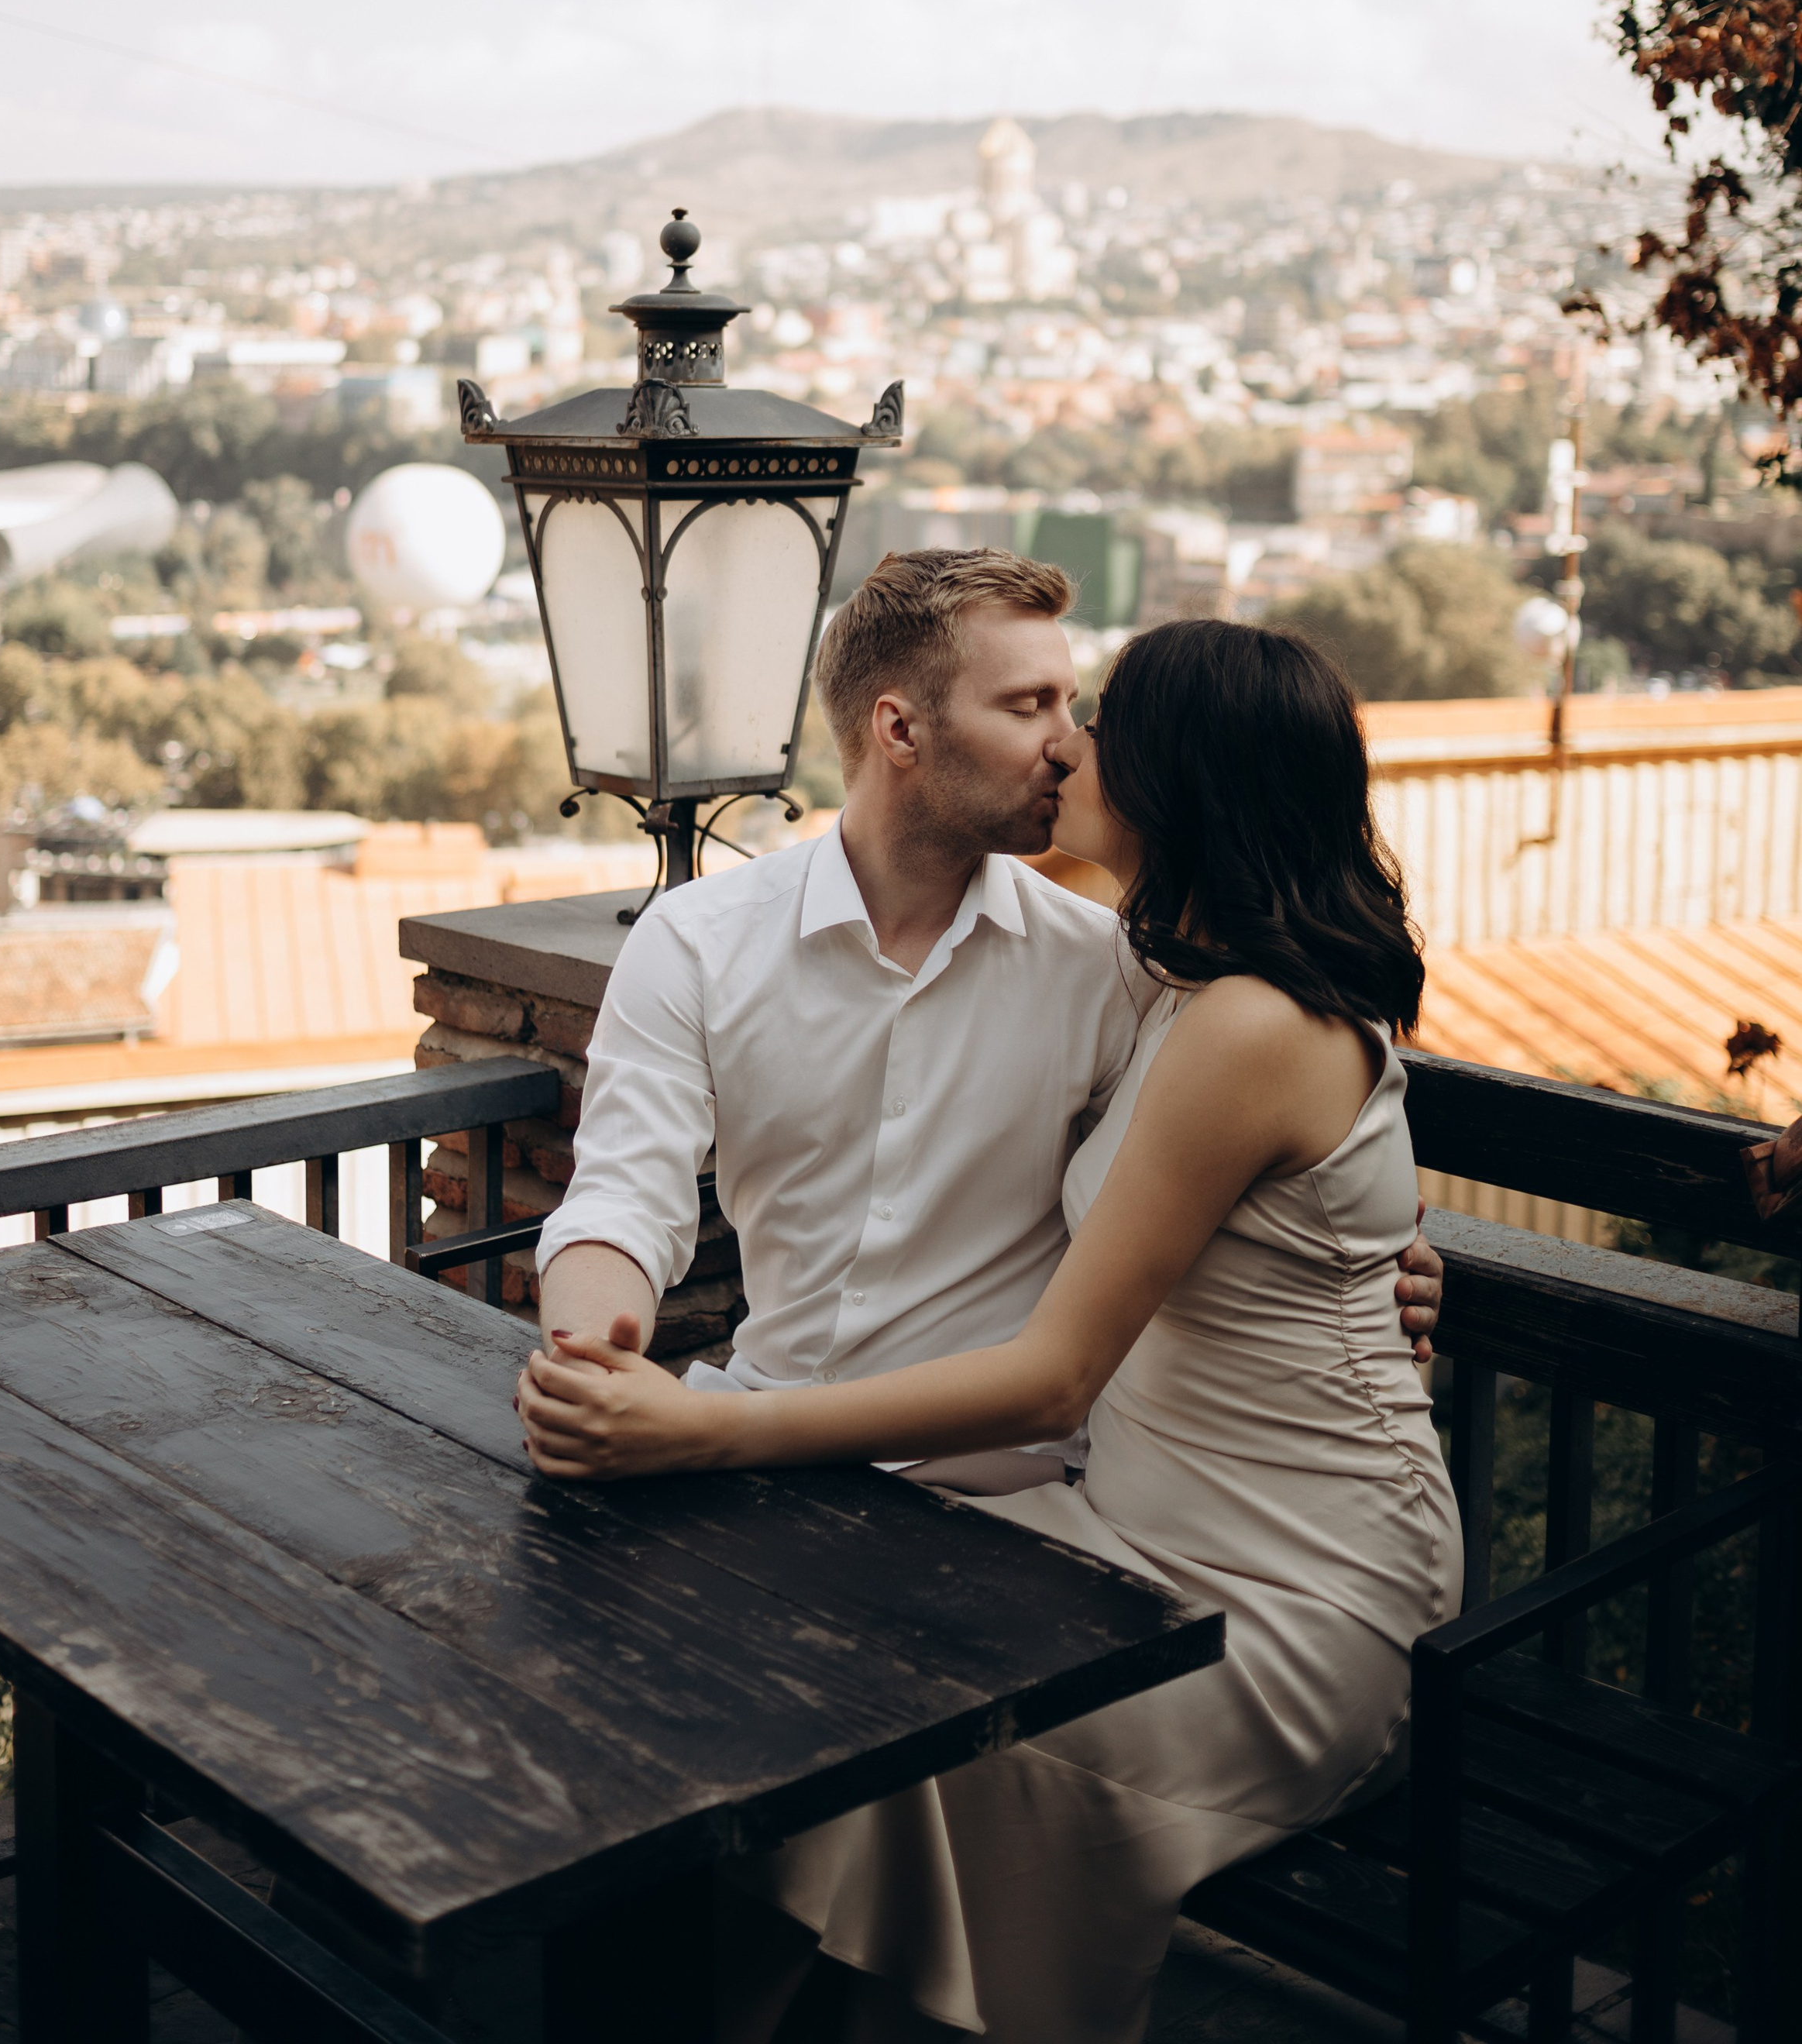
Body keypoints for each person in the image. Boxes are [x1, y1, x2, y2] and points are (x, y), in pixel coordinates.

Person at [522, 615, 1463, 2044]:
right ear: (900, 727)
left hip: (1267, 1574)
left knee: (917, 1753)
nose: (1068, 740)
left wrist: (707, 1424)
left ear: (1181, 779)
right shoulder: (1172, 983)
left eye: (1091, 716)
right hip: (1123, 1520)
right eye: (1036, 703)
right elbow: (625, 1188)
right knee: (742, 1733)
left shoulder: (1165, 992)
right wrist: (602, 1342)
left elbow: (1070, 1363)